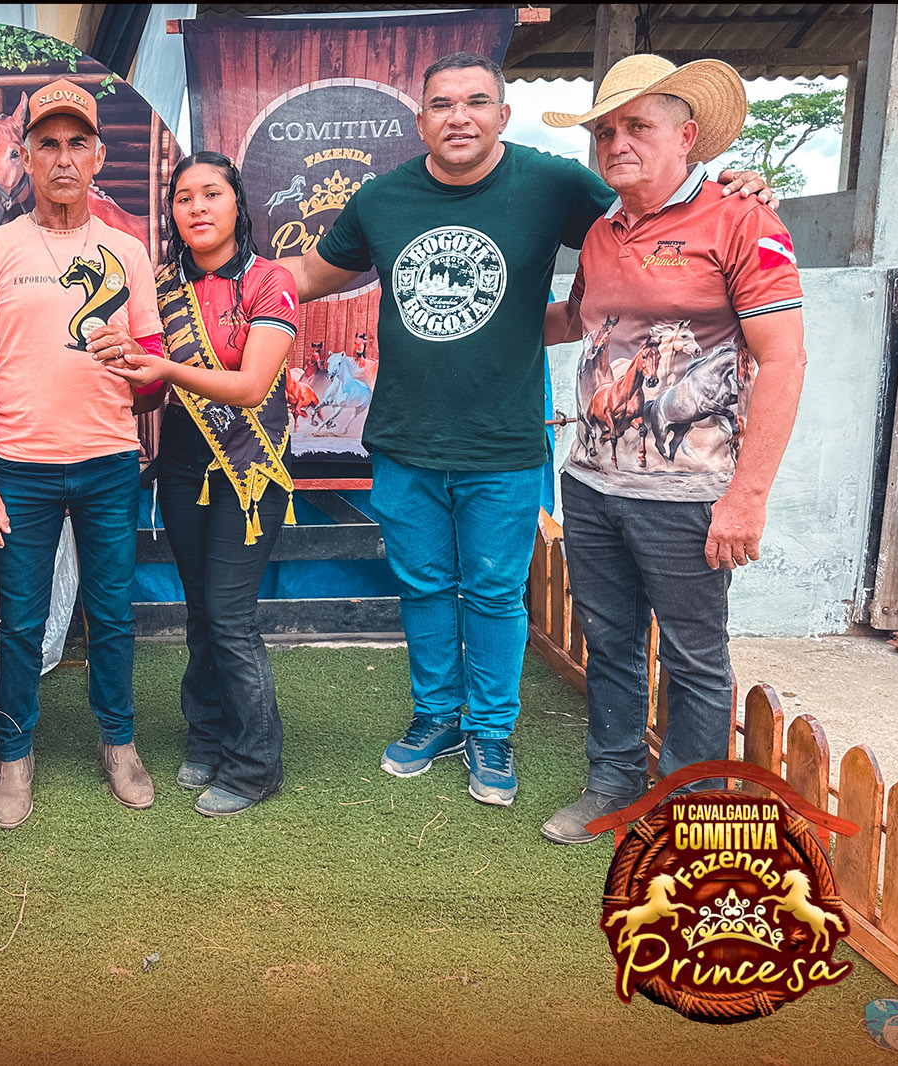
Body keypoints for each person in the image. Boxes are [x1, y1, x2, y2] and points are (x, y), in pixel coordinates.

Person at [281, 52, 771, 807]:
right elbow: (310, 275)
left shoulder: (553, 184)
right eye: (441, 104)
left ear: (502, 116)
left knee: (494, 592)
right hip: (405, 438)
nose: (459, 117)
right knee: (422, 587)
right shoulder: (382, 198)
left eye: (476, 101)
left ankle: (490, 731)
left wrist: (734, 187)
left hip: (504, 442)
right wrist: (223, 274)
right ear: (420, 121)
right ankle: (436, 718)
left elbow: (652, 208)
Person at [536, 56, 808, 843]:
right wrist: (460, 324)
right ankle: (613, 782)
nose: (616, 143)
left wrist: (745, 497)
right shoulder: (600, 231)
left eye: (636, 126)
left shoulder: (743, 219)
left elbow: (784, 360)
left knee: (692, 657)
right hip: (592, 481)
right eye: (604, 131)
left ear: (685, 136)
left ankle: (692, 813)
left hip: (688, 493)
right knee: (610, 644)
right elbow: (575, 322)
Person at [0, 79, 166, 829]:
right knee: (20, 621)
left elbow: (153, 388)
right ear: (26, 157)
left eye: (78, 143)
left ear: (98, 156)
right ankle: (13, 755)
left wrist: (136, 365)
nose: (63, 158)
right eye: (47, 144)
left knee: (111, 615)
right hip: (20, 468)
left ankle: (119, 742)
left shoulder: (127, 251)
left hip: (109, 461)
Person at [98, 152, 298, 817]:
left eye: (211, 193)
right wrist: (124, 366)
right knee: (201, 613)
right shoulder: (158, 286)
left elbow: (250, 387)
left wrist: (159, 365)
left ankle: (255, 764)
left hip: (248, 467)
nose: (198, 207)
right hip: (184, 466)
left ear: (237, 202)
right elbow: (151, 397)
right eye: (183, 197)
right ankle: (209, 735)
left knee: (231, 615)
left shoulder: (270, 281)